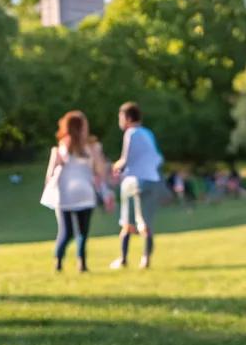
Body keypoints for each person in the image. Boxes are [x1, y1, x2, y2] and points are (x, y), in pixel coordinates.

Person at [41, 110, 105, 272]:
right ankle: (81, 264)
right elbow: (99, 171)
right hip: (85, 192)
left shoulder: (61, 149)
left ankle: (58, 262)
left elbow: (49, 175)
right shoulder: (92, 147)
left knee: (65, 231)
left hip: (65, 194)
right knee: (82, 232)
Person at [110, 101, 164, 270]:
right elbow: (157, 158)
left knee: (127, 222)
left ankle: (123, 259)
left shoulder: (130, 133)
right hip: (152, 180)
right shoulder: (148, 133)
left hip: (134, 181)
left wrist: (115, 166)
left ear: (127, 117)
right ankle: (146, 259)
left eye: (120, 117)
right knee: (146, 223)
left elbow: (125, 159)